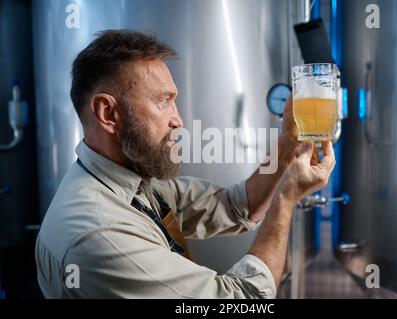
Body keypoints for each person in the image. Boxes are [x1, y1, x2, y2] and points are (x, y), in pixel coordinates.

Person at [35, 29, 335, 298]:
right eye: (163, 101)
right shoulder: (100, 236)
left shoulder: (132, 181)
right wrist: (285, 200)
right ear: (108, 113)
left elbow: (235, 206)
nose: (178, 120)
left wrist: (285, 142)